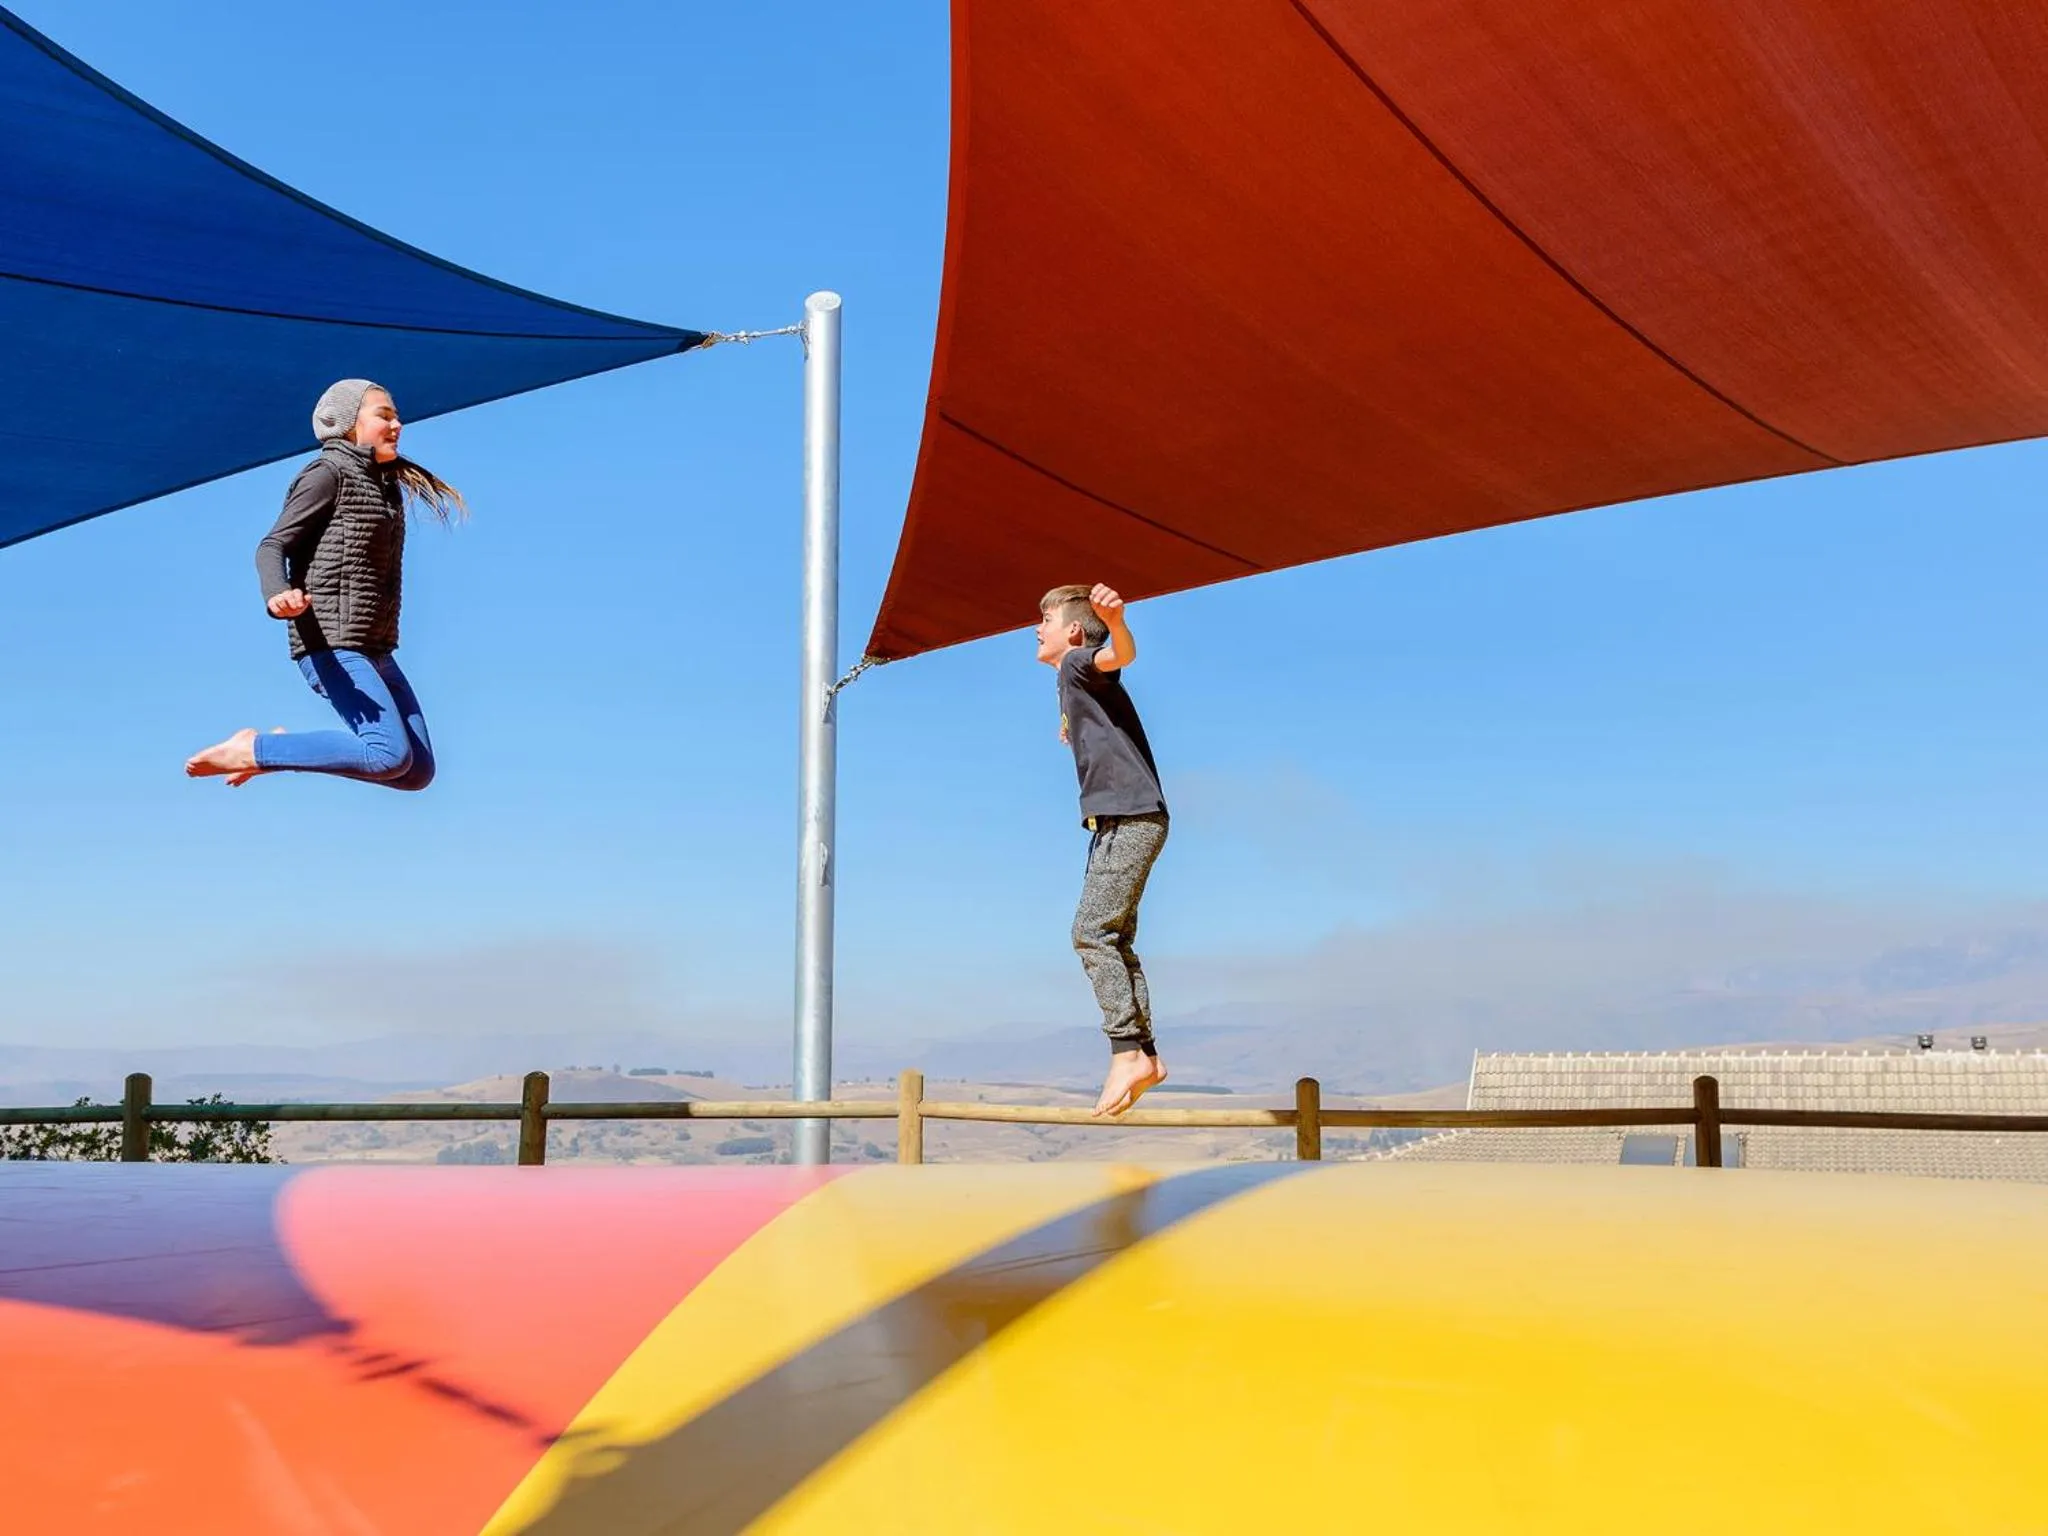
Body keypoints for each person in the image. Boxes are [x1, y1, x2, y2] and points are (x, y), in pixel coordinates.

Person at [185, 379, 463, 791]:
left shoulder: (384, 487)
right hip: (331, 643)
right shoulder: (327, 473)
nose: (397, 424)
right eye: (384, 415)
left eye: (398, 416)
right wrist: (277, 593)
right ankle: (254, 748)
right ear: (345, 423)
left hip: (377, 647)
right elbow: (272, 545)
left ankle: (279, 750)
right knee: (388, 754)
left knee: (417, 772)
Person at [1037, 582, 1171, 1116]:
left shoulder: (1076, 664)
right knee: (1114, 939)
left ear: (1072, 631)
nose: (1036, 628)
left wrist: (1114, 623)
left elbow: (1119, 656)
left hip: (1130, 817)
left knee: (1090, 934)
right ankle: (1146, 1056)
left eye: (1043, 619)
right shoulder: (1067, 682)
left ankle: (1127, 1052)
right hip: (1121, 821)